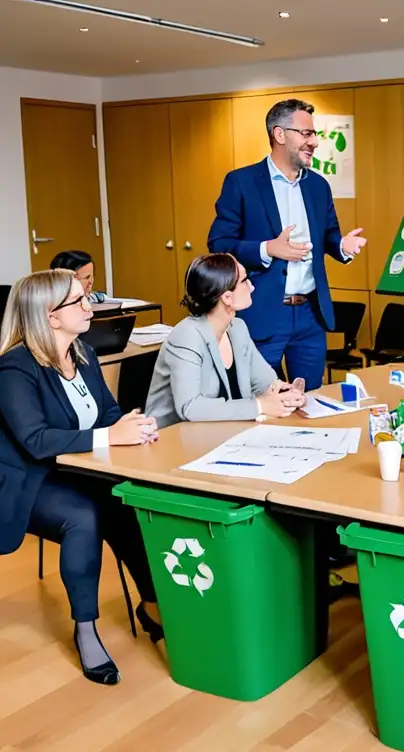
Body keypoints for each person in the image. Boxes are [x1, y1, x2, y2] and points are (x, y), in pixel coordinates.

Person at [0, 270, 162, 685]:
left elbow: (106, 414)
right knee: (84, 516)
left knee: (130, 501)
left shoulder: (83, 352)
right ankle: (86, 630)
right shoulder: (15, 367)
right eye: (78, 301)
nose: (89, 306)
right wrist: (111, 436)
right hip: (27, 480)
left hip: (76, 469)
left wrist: (133, 425)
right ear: (50, 317)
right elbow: (36, 440)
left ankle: (153, 603)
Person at [207, 98, 367, 389]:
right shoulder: (242, 183)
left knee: (311, 399)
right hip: (263, 312)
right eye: (306, 134)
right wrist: (267, 249)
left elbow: (329, 235)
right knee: (262, 399)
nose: (314, 142)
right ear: (279, 135)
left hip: (310, 316)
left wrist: (341, 246)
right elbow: (219, 244)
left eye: (314, 134)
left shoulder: (318, 186)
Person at [146, 254, 307, 430]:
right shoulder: (187, 336)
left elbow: (266, 383)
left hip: (222, 434)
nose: (252, 287)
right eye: (245, 281)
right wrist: (260, 405)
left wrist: (285, 393)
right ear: (227, 298)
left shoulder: (238, 327)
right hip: (173, 440)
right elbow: (190, 407)